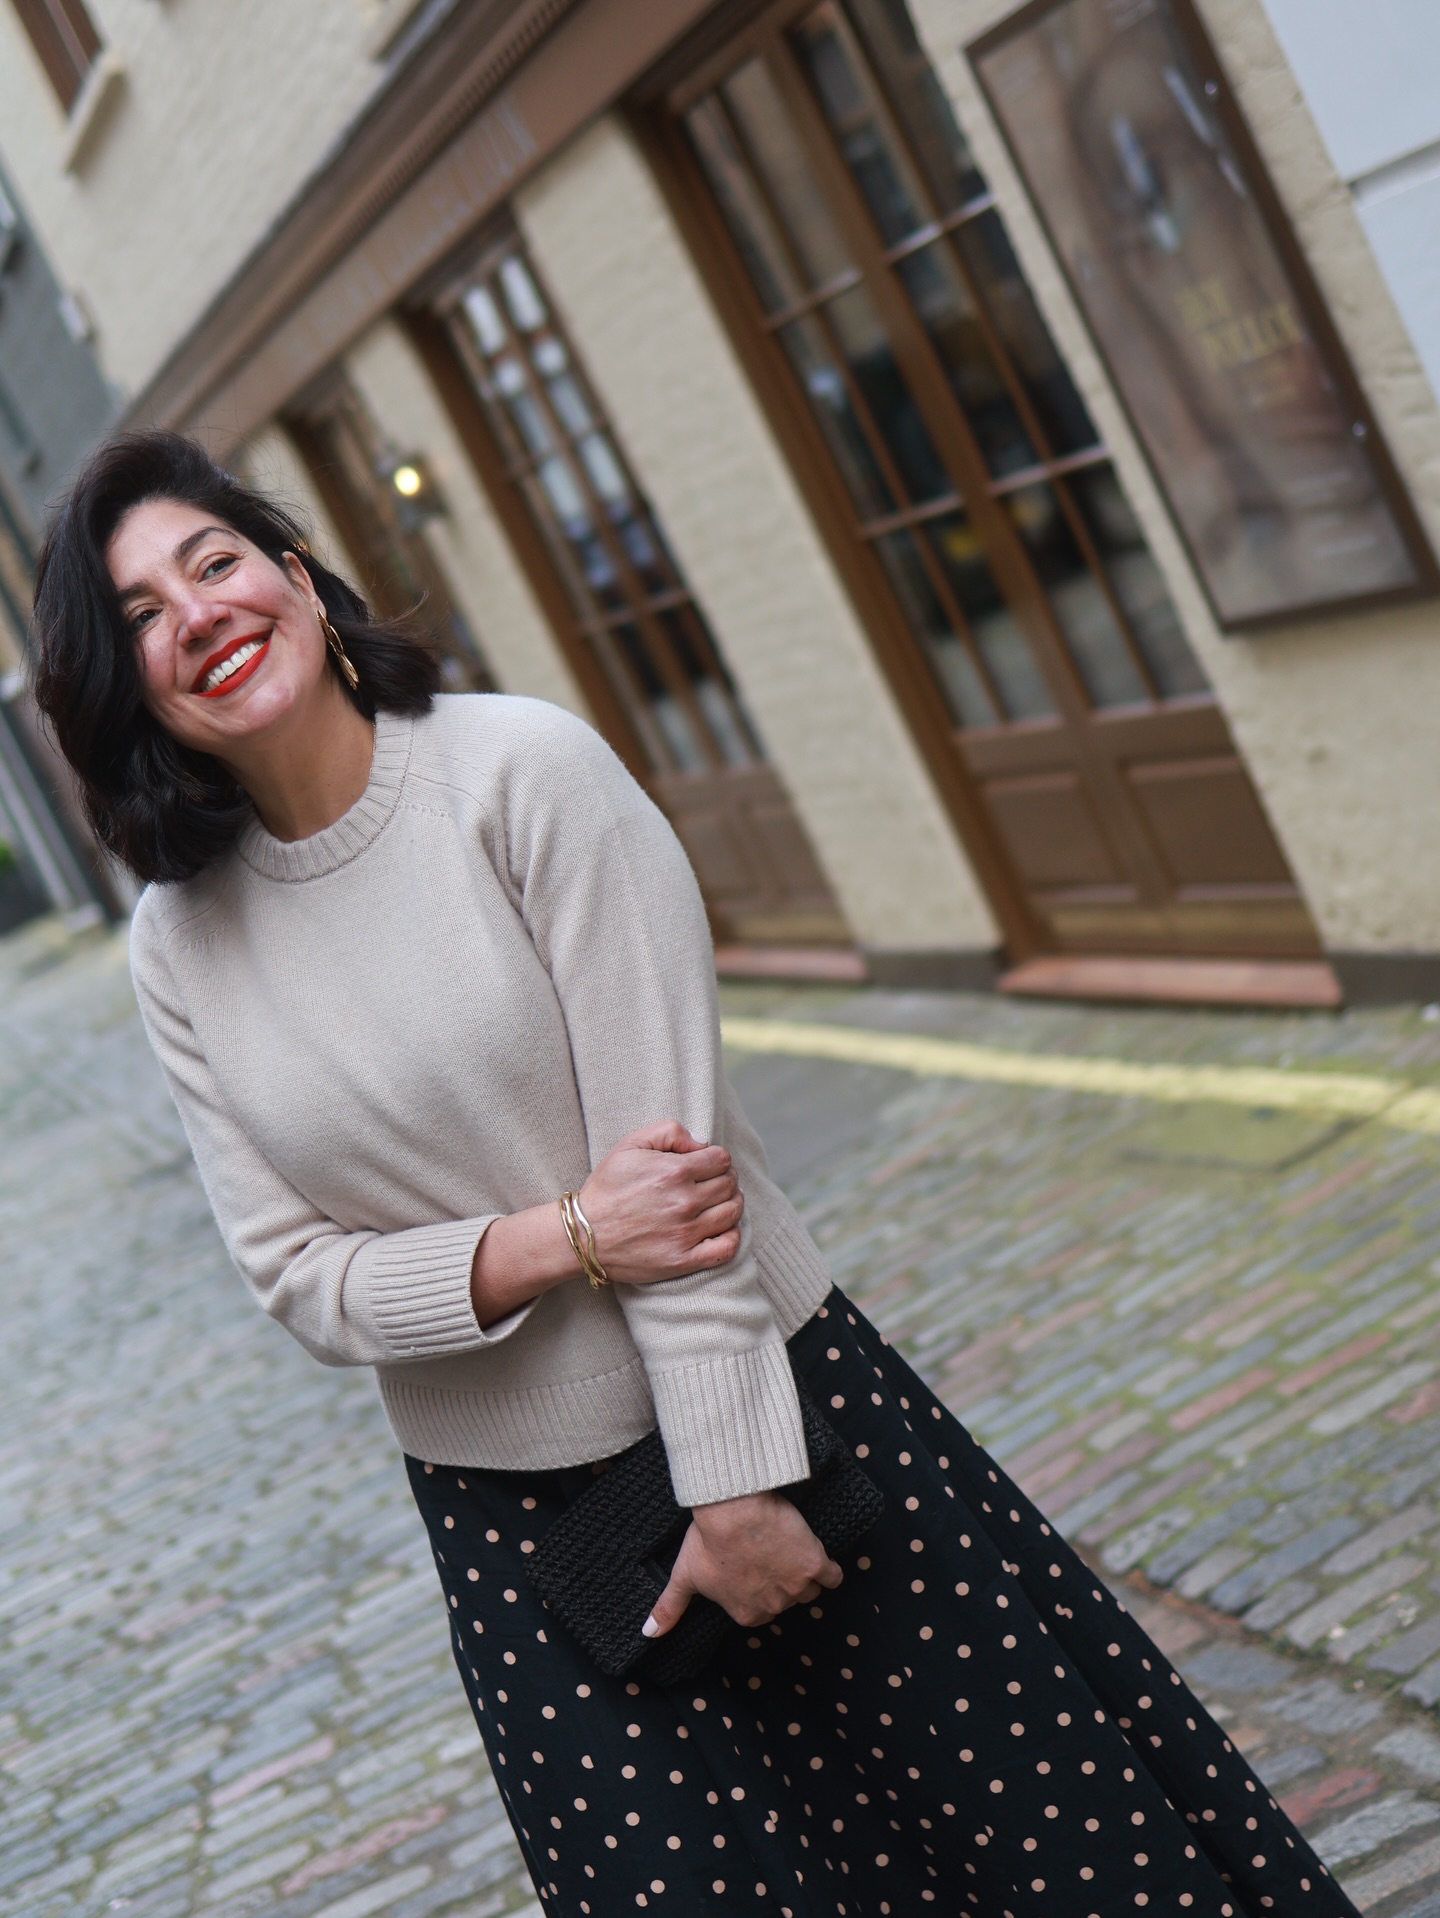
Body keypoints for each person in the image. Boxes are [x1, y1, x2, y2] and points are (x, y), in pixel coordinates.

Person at [33, 429, 1357, 1918]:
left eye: (214, 563)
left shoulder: (520, 772)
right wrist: (563, 1236)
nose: (195, 613)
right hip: (523, 1535)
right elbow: (295, 1276)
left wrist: (733, 1486)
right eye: (139, 615)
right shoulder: (178, 944)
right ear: (124, 690)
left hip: (775, 1420)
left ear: (297, 577)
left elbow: (682, 1178)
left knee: (1050, 1867)